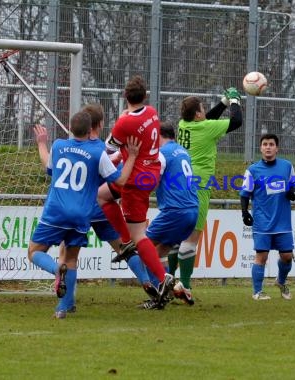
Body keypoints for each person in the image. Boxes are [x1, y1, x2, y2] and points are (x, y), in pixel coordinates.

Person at [33, 104, 155, 312]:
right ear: (98, 125)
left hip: (71, 205)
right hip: (96, 207)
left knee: (65, 255)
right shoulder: (102, 148)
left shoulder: (65, 146)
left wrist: (42, 145)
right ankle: (146, 281)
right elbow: (118, 174)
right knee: (122, 247)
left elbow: (50, 168)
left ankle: (64, 298)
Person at [98, 76, 174, 306]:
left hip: (134, 179)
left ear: (125, 96)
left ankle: (162, 277)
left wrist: (120, 122)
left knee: (138, 234)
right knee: (103, 195)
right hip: (150, 172)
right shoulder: (152, 112)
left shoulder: (124, 124)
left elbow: (109, 147)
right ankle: (126, 240)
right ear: (146, 95)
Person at [174, 88, 243, 302]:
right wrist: (234, 101)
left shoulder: (183, 124)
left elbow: (208, 119)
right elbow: (236, 121)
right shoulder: (204, 128)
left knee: (177, 237)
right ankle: (184, 285)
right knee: (192, 237)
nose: (205, 112)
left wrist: (222, 102)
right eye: (202, 109)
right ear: (197, 114)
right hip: (199, 186)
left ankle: (168, 280)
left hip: (180, 183)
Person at [144, 121, 199, 309]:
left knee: (143, 249)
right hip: (192, 211)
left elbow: (151, 181)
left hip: (175, 211)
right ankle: (174, 288)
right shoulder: (183, 152)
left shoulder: (162, 153)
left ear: (158, 136)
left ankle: (160, 295)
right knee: (158, 254)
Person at [239, 134, 295, 301]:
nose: (268, 147)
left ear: (277, 148)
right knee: (261, 256)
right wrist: (244, 212)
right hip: (262, 221)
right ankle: (257, 292)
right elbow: (245, 194)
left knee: (287, 256)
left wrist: (292, 193)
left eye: (271, 144)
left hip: (283, 221)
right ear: (260, 148)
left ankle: (280, 281)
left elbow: (294, 187)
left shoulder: (287, 166)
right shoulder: (253, 170)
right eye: (265, 144)